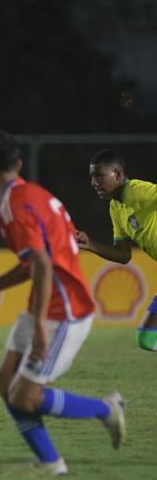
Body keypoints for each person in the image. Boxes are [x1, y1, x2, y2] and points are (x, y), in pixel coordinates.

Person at [0, 130, 125, 476]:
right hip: (47, 304)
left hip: (64, 311)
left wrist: (40, 332)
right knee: (5, 381)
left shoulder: (14, 208)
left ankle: (106, 409)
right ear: (18, 164)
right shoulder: (33, 194)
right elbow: (37, 262)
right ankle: (51, 463)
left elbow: (43, 265)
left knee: (25, 397)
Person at [76, 150, 157, 351]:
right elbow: (123, 254)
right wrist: (92, 245)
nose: (94, 182)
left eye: (99, 176)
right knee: (146, 338)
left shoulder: (137, 191)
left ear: (118, 175)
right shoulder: (116, 207)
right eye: (92, 177)